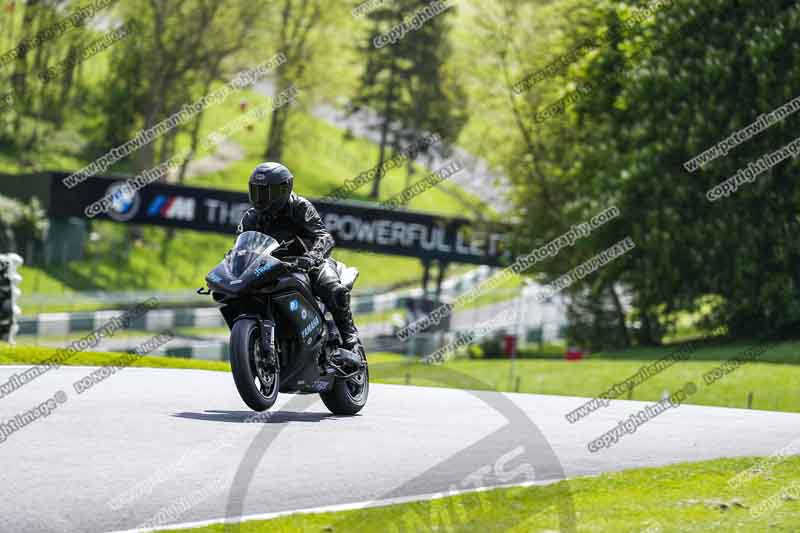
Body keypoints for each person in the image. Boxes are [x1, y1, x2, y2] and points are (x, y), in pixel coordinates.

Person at [237, 162, 362, 357]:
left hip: (309, 264)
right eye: (256, 191)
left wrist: (311, 257)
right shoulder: (251, 218)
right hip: (271, 269)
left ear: (283, 190)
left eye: (265, 192)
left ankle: (349, 337)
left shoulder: (299, 207)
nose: (260, 198)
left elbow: (324, 237)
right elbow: (240, 248)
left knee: (332, 288)